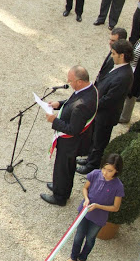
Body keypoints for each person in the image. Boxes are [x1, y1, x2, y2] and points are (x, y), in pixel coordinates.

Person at [41, 65, 98, 206]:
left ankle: (60, 197)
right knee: (65, 167)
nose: (68, 82)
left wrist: (54, 120)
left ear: (80, 81)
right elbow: (71, 102)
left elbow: (73, 129)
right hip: (74, 141)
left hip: (71, 143)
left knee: (64, 168)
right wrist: (59, 104)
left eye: (70, 80)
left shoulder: (82, 105)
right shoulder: (90, 89)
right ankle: (59, 186)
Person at [76, 39, 133, 175]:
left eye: (114, 54)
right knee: (94, 137)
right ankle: (89, 158)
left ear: (122, 55)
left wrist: (92, 104)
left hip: (106, 115)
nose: (112, 56)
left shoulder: (124, 75)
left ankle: (92, 165)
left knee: (99, 142)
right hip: (100, 112)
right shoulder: (118, 67)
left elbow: (110, 99)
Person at [66, 153, 124, 261]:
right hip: (84, 213)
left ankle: (82, 259)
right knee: (78, 236)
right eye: (104, 168)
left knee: (90, 239)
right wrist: (86, 198)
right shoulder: (95, 174)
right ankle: (73, 257)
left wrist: (98, 206)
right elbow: (85, 188)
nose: (105, 173)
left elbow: (116, 207)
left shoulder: (118, 187)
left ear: (116, 171)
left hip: (98, 218)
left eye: (110, 171)